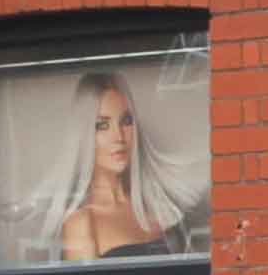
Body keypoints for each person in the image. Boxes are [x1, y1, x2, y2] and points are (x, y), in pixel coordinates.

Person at [12, 65, 203, 264]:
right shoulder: (82, 224)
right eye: (102, 125)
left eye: (126, 121)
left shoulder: (158, 208)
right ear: (84, 135)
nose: (119, 136)